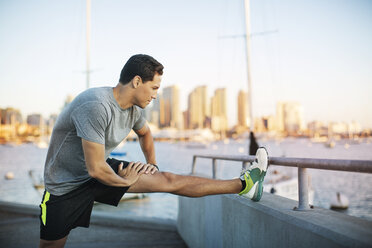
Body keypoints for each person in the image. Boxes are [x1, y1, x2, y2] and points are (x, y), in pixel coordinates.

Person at [39, 54, 269, 248]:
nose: (156, 95)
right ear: (137, 81)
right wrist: (124, 181)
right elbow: (96, 169)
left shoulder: (133, 110)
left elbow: (145, 134)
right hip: (64, 186)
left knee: (168, 179)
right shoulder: (96, 105)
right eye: (154, 87)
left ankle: (245, 185)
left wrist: (153, 165)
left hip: (100, 170)